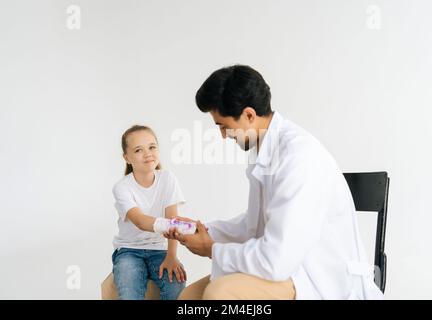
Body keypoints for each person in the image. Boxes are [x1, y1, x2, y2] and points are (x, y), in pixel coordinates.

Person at [166, 65, 384, 300]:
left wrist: (212, 250)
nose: (223, 135)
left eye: (224, 126)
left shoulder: (298, 157)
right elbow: (255, 225)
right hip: (289, 270)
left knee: (220, 294)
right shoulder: (266, 149)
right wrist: (205, 231)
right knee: (189, 297)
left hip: (318, 279)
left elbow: (276, 260)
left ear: (249, 115)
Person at [111, 125, 186, 300]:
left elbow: (172, 219)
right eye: (138, 150)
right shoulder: (122, 187)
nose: (148, 153)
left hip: (159, 250)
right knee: (130, 291)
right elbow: (140, 221)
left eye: (152, 147)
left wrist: (172, 256)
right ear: (127, 157)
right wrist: (178, 226)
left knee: (176, 285)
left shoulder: (168, 179)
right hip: (129, 250)